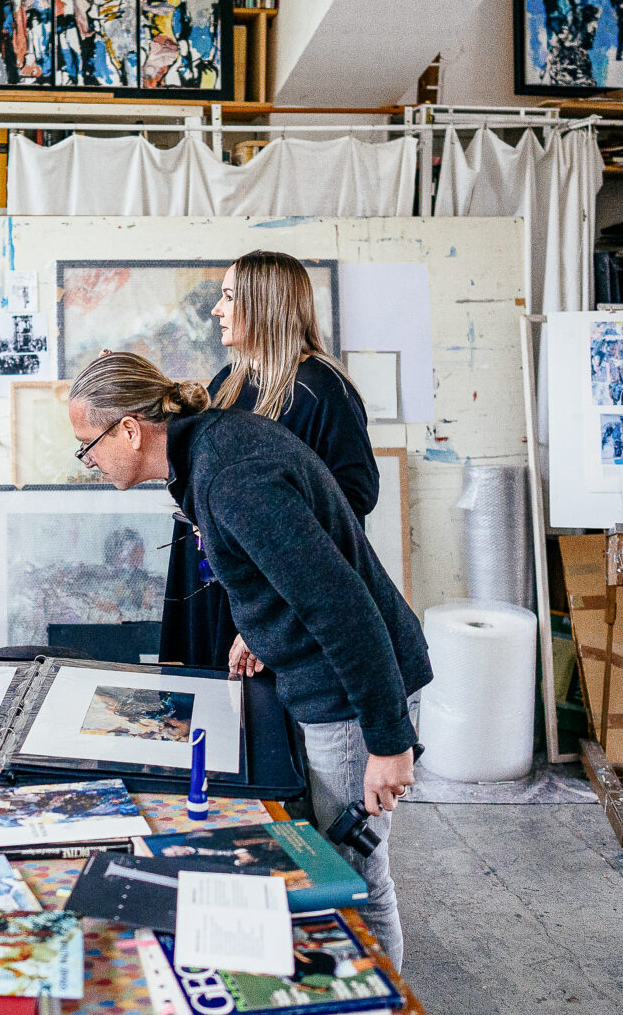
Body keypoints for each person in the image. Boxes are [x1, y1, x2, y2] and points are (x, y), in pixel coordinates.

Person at [68, 352, 429, 968]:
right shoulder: (211, 448)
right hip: (329, 676)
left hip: (353, 690)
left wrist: (390, 740)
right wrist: (260, 629)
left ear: (129, 429)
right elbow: (283, 569)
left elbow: (344, 608)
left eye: (88, 445)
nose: (88, 462)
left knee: (352, 881)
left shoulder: (230, 476)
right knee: (330, 865)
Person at [163, 251, 377, 669]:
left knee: (265, 723)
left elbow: (350, 503)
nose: (216, 309)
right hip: (221, 580)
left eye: (228, 296)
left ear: (262, 304)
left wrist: (274, 620)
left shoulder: (323, 389)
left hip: (280, 595)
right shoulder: (228, 381)